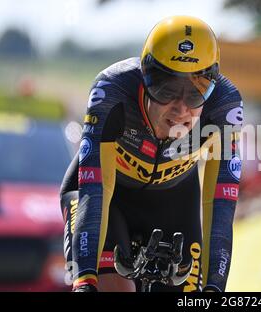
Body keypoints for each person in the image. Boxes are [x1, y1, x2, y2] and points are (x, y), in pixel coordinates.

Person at [60, 16, 243, 292]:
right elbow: (96, 191)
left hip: (175, 203)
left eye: (196, 94)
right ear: (144, 79)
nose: (180, 109)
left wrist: (215, 288)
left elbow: (219, 208)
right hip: (109, 200)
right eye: (166, 90)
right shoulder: (113, 91)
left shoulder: (224, 107)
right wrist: (85, 280)